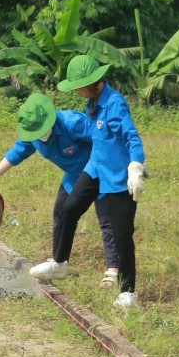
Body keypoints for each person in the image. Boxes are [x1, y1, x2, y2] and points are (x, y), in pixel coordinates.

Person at [0, 93, 121, 287]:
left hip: (101, 171)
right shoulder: (32, 133)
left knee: (107, 220)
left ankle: (113, 270)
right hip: (74, 176)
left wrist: (126, 166)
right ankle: (59, 263)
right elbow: (16, 153)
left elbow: (106, 139)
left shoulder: (72, 123)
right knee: (62, 212)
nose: (39, 136)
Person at [50, 55, 147, 309]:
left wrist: (135, 167)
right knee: (69, 209)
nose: (76, 90)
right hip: (95, 169)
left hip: (117, 177)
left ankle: (128, 292)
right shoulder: (92, 102)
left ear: (92, 83)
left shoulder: (115, 104)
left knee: (121, 233)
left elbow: (132, 137)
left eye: (77, 85)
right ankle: (59, 263)